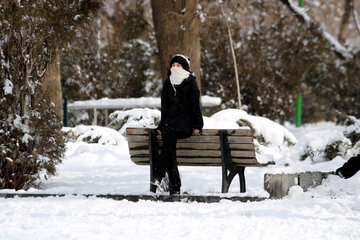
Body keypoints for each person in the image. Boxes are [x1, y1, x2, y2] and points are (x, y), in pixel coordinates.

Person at [152, 54, 203, 195]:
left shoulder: (190, 82)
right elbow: (165, 109)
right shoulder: (168, 83)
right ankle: (175, 188)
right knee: (170, 151)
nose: (175, 67)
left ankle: (159, 174)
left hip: (185, 124)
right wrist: (162, 126)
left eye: (178, 65)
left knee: (169, 143)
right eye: (173, 65)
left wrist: (198, 125)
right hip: (170, 125)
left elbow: (195, 106)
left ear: (184, 67)